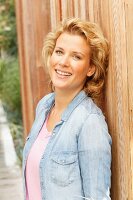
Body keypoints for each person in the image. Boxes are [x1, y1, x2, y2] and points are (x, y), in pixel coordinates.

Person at [23, 18, 112, 200]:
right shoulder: (44, 106)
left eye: (76, 56)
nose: (63, 62)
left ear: (90, 69)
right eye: (59, 52)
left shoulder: (90, 123)